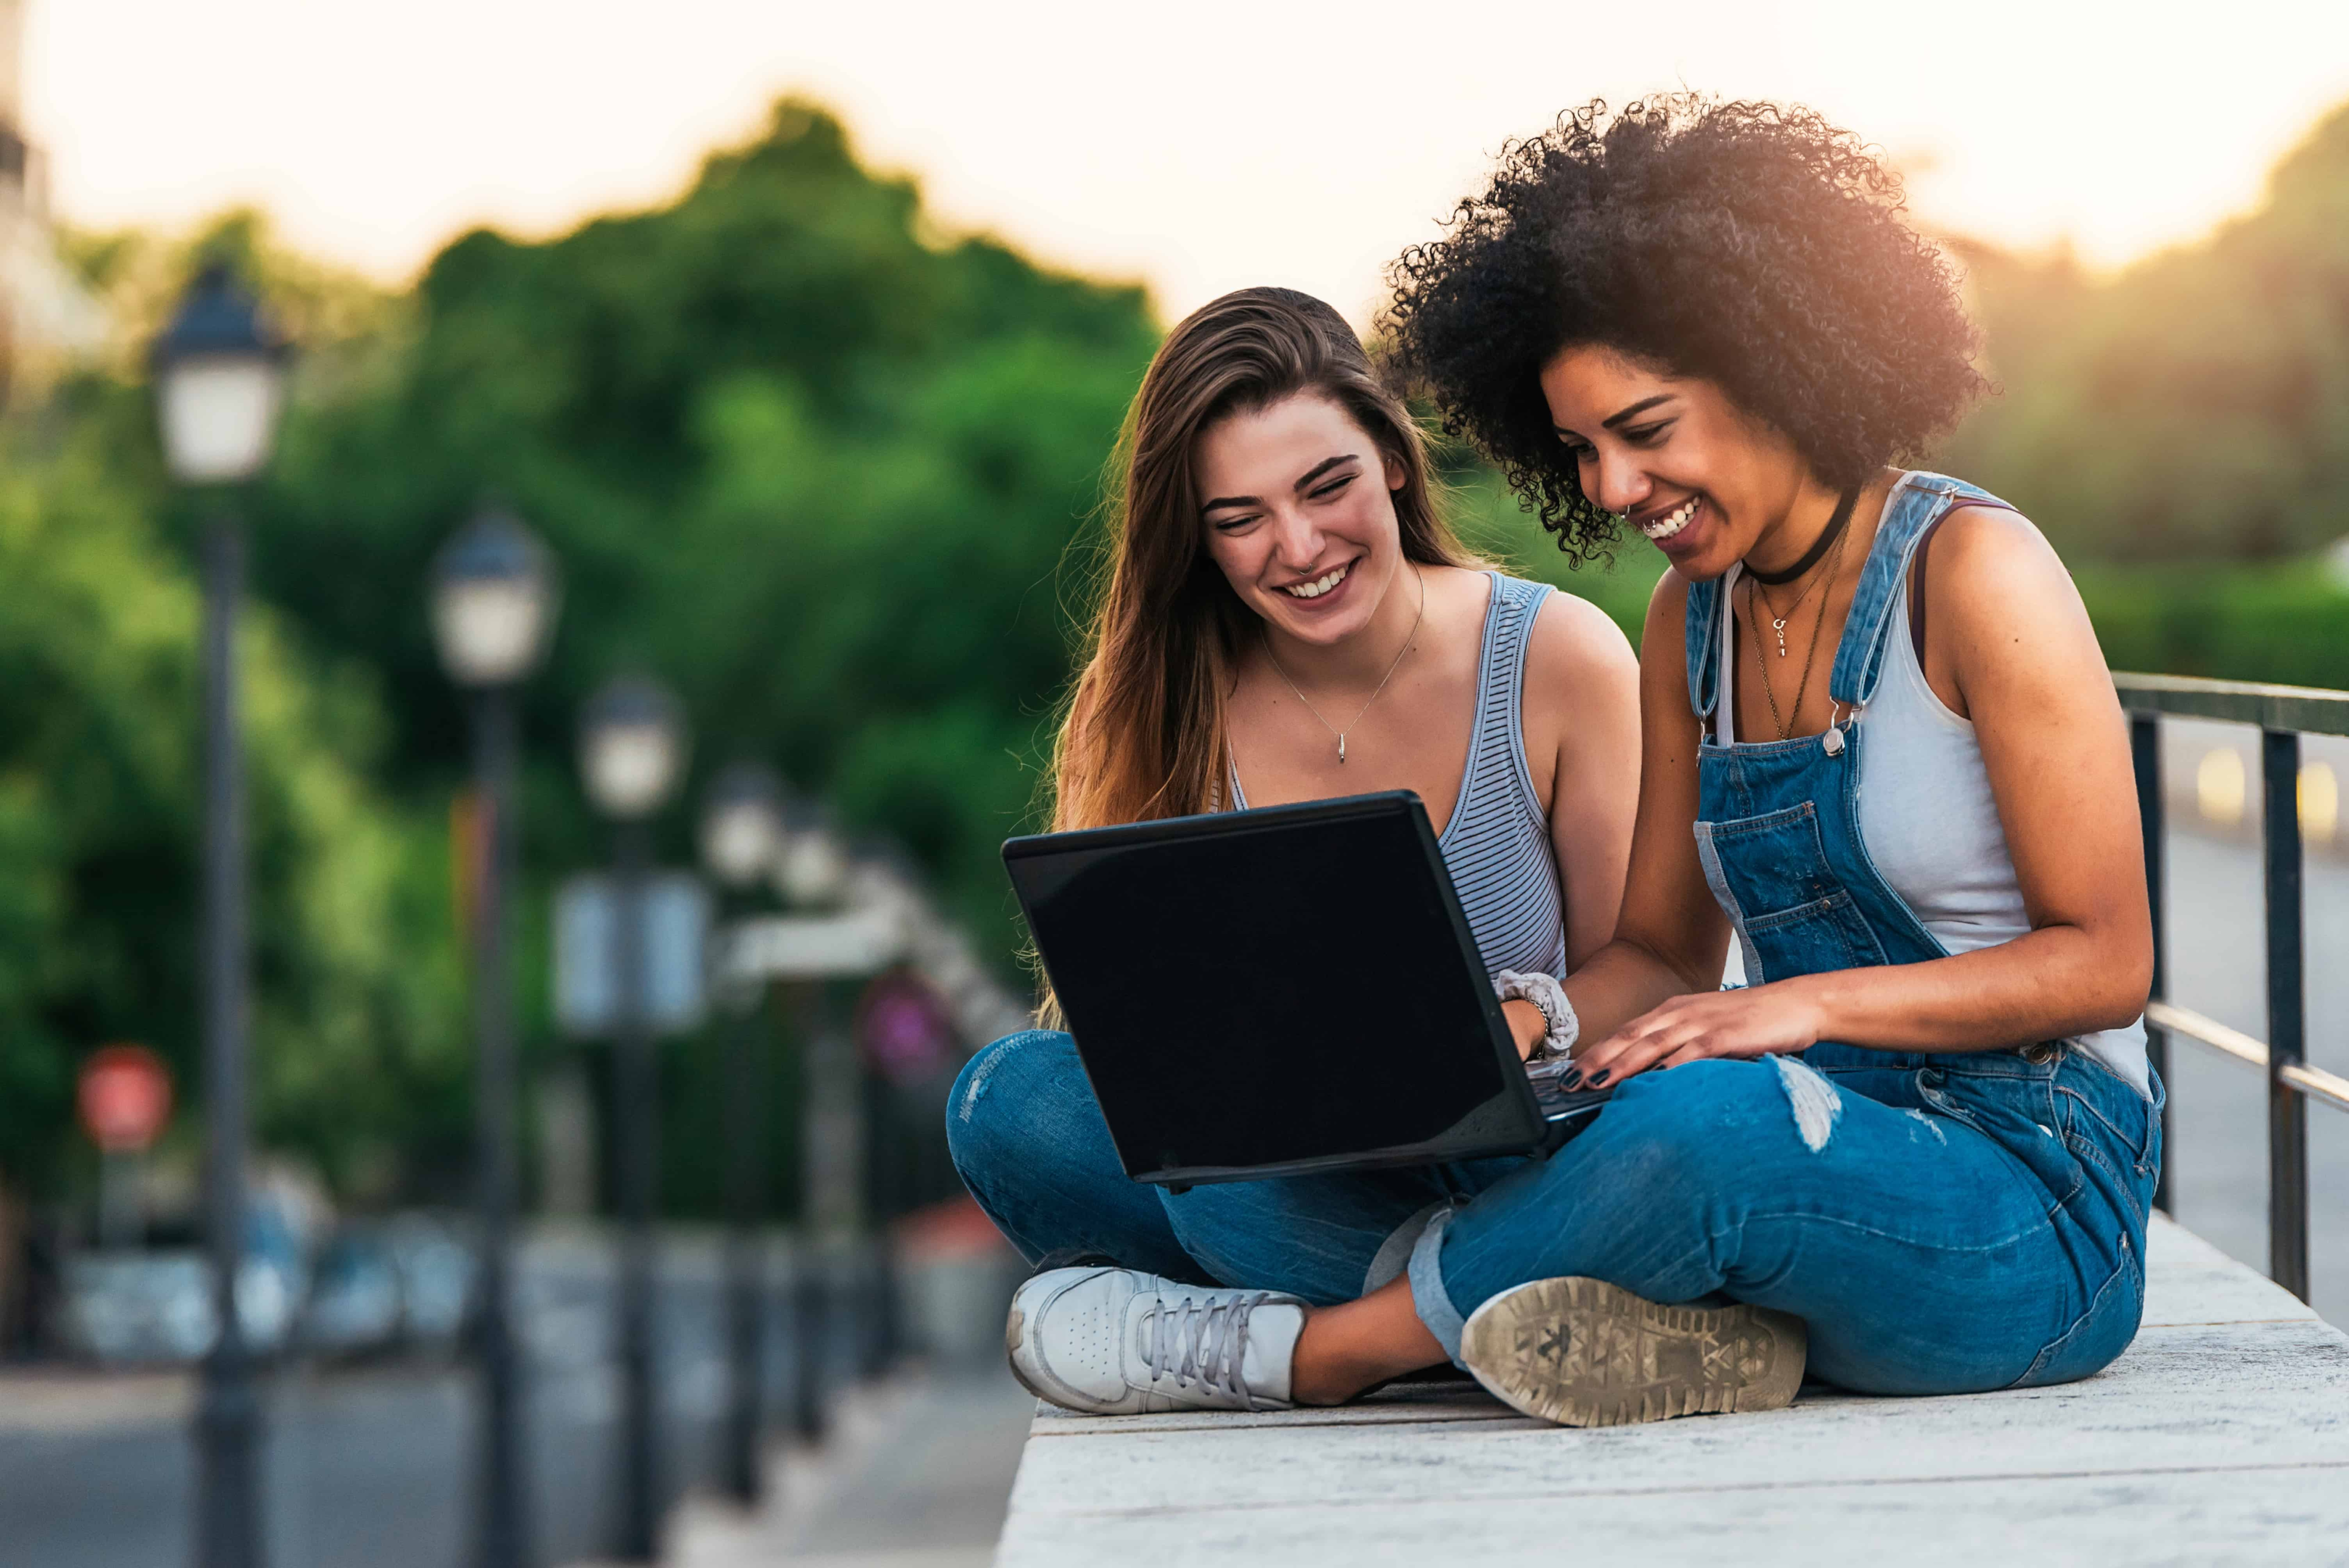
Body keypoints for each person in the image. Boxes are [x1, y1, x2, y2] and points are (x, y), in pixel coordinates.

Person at [984, 99, 2162, 1429]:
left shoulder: (1976, 572)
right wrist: (1517, 1026)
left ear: (1775, 361)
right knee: (1023, 1104)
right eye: (1583, 448)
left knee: (1710, 1130)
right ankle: (1577, 1304)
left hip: (2033, 1183)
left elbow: (2106, 960)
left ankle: (1327, 1351)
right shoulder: (1690, 620)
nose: (1608, 488)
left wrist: (1801, 1011)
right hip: (1801, 1142)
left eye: (1643, 430)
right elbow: (1659, 960)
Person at [944, 285, 1642, 1412]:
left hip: (1521, 1151)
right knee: (1011, 1105)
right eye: (1241, 518)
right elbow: (1150, 1053)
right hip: (1290, 1170)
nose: (1300, 547)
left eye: (1328, 488)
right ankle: (1464, 1318)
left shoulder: (1559, 656)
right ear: (1199, 540)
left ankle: (1322, 1333)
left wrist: (1494, 1034)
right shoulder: (1165, 703)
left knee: (1220, 1201)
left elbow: (1646, 974)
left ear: (1394, 463)